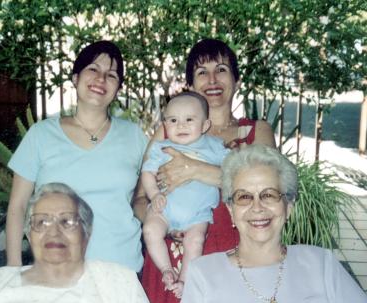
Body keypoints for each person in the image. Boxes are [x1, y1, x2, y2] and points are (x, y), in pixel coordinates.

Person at [137, 38, 276, 302]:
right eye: (202, 72)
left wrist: (196, 170)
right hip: (174, 262)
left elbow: (268, 192)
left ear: (236, 80)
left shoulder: (257, 132)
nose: (212, 79)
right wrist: (163, 223)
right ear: (190, 84)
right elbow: (139, 200)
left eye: (221, 69)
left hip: (235, 256)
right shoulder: (168, 132)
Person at [6, 41, 148, 272]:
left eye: (111, 75)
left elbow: (147, 196)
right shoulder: (41, 135)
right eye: (93, 69)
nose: (101, 79)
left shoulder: (134, 136)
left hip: (121, 270)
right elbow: (17, 206)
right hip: (56, 272)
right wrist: (13, 270)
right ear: (75, 78)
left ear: (118, 88)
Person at [181, 145, 367, 302]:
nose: (257, 207)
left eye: (269, 195)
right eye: (244, 197)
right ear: (231, 210)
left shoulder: (321, 264)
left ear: (288, 207)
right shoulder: (203, 273)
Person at [0, 183, 149, 302]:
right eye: (42, 222)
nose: (54, 232)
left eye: (67, 222)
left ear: (86, 234)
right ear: (29, 236)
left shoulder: (118, 284)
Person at [141, 91, 229, 297]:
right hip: (165, 208)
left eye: (189, 119)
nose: (181, 125)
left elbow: (235, 170)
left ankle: (184, 280)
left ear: (205, 125)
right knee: (151, 231)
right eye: (173, 120)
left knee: (195, 241)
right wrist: (154, 194)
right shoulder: (161, 147)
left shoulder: (214, 146)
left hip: (197, 214)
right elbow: (147, 173)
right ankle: (166, 270)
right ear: (164, 124)